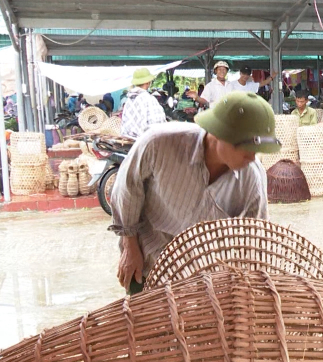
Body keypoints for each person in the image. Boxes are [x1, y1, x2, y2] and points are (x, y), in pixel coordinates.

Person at [109, 91, 276, 294]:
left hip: (204, 273)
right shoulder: (158, 144)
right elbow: (126, 190)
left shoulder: (252, 177)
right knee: (143, 320)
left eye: (256, 149)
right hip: (149, 257)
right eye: (245, 147)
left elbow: (254, 238)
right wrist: (129, 246)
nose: (251, 156)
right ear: (217, 133)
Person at [120, 68, 168, 139]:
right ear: (148, 82)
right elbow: (158, 124)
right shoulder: (149, 99)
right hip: (144, 142)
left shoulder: (129, 101)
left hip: (128, 142)